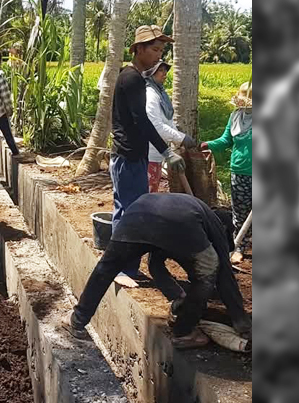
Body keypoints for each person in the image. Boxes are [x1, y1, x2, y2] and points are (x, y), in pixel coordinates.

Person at [62, 193, 251, 349]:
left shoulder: (190, 205)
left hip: (137, 215)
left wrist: (177, 296)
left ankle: (78, 321)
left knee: (105, 270)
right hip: (178, 223)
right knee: (208, 273)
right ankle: (185, 332)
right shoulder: (216, 224)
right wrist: (240, 321)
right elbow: (224, 273)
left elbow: (155, 265)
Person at [111, 25, 192, 286]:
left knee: (124, 209)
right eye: (155, 50)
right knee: (130, 212)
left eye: (161, 50)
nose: (159, 55)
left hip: (129, 155)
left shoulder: (133, 77)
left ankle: (121, 265)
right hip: (129, 156)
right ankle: (124, 269)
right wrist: (167, 150)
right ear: (139, 49)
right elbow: (142, 121)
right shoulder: (132, 79)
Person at [201, 82, 252, 264]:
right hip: (239, 170)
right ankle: (239, 246)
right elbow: (226, 140)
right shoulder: (236, 117)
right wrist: (208, 145)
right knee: (240, 211)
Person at [145, 60, 190, 192]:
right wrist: (181, 138)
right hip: (149, 153)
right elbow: (155, 126)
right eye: (160, 70)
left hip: (157, 153)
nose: (164, 74)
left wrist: (178, 136)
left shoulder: (161, 93)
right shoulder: (151, 95)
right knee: (147, 195)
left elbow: (167, 122)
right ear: (151, 73)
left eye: (165, 70)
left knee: (151, 191)